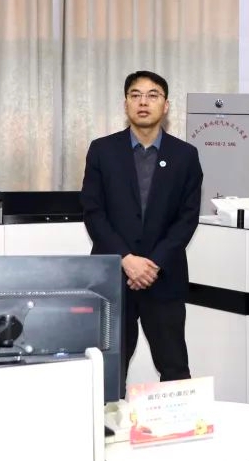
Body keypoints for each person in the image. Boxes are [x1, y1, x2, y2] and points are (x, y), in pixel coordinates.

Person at [80, 70, 203, 389]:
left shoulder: (185, 155)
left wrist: (153, 263)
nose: (143, 102)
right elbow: (93, 212)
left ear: (166, 105)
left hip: (164, 277)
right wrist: (126, 259)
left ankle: (177, 423)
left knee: (174, 366)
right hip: (113, 276)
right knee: (108, 369)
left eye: (152, 95)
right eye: (135, 95)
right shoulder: (102, 150)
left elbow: (187, 217)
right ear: (126, 104)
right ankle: (106, 423)